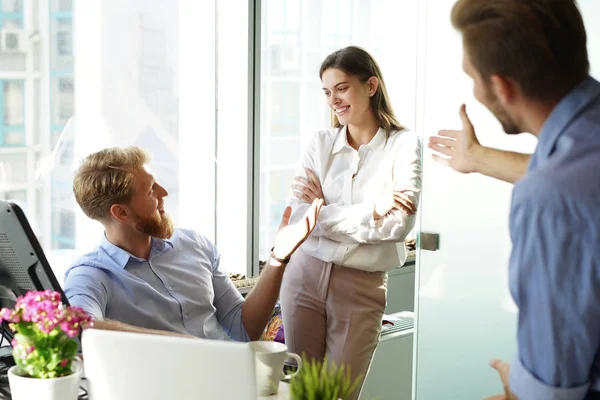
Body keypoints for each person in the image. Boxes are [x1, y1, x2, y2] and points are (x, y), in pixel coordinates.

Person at [448, 1, 600, 399]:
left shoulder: (548, 199)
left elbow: (551, 391)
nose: (475, 91)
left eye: (473, 77)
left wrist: (514, 389)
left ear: (501, 87)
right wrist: (477, 157)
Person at [63, 146, 323, 342]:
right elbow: (79, 325)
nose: (164, 193)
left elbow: (244, 330)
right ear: (121, 213)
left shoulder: (193, 244)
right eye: (151, 189)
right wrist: (182, 344)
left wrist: (280, 257)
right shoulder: (90, 275)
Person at [280, 46, 422, 399]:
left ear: (371, 86)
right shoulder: (319, 143)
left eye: (341, 88)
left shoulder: (403, 146)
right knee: (299, 392)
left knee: (338, 395)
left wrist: (323, 213)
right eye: (327, 92)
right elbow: (299, 216)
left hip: (361, 287)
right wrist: (372, 210)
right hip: (304, 276)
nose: (334, 100)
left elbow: (398, 226)